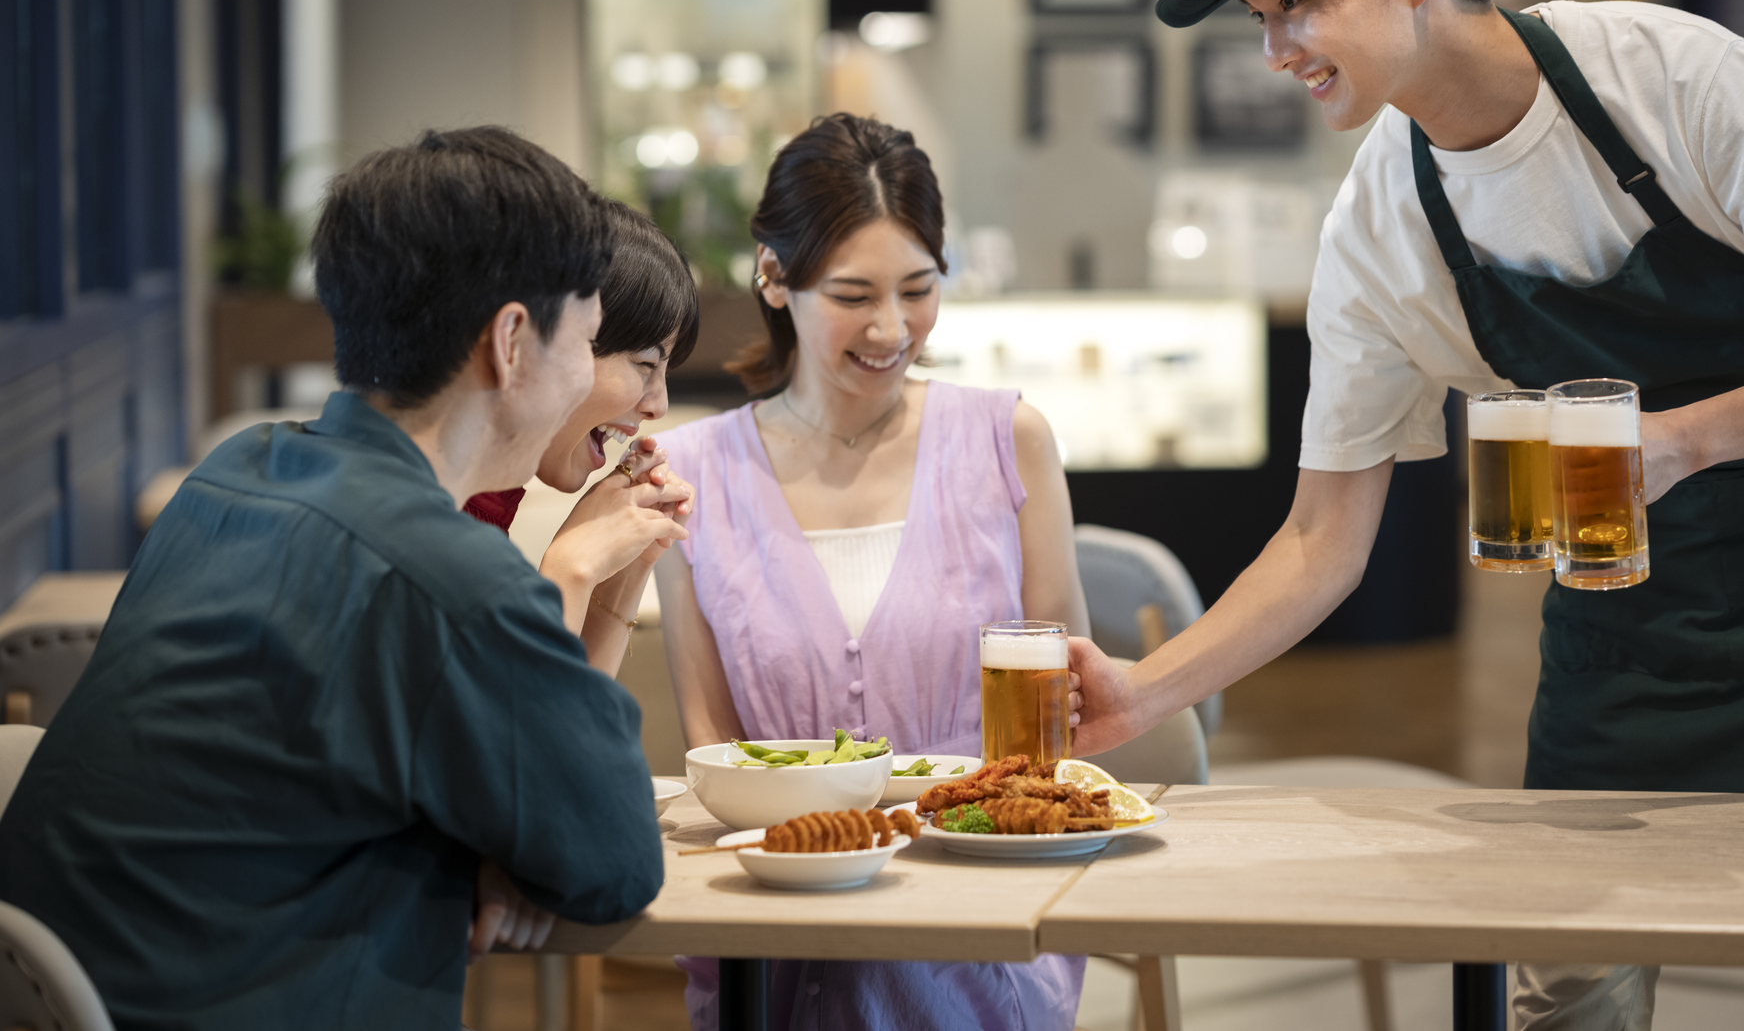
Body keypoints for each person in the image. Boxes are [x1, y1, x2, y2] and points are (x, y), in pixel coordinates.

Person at [1069, 0, 1744, 1030]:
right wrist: (1142, 693)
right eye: (1259, 19)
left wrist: (1682, 438)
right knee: (1565, 982)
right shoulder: (1382, 222)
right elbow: (1323, 538)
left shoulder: (1668, 77)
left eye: (1297, 5)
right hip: (1619, 624)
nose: (1275, 50)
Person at [0, 127, 680, 1029]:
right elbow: (614, 861)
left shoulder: (234, 471)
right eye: (588, 341)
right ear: (512, 341)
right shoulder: (454, 578)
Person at [657, 113, 1092, 1031]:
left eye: (919, 288)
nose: (893, 328)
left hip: (979, 929)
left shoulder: (1009, 439)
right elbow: (713, 746)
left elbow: (1065, 719)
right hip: (776, 928)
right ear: (774, 277)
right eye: (853, 294)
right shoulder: (693, 471)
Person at [464, 200, 701, 676]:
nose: (659, 404)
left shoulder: (488, 504)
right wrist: (570, 570)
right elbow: (506, 743)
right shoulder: (422, 519)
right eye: (646, 363)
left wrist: (623, 574)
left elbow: (578, 736)